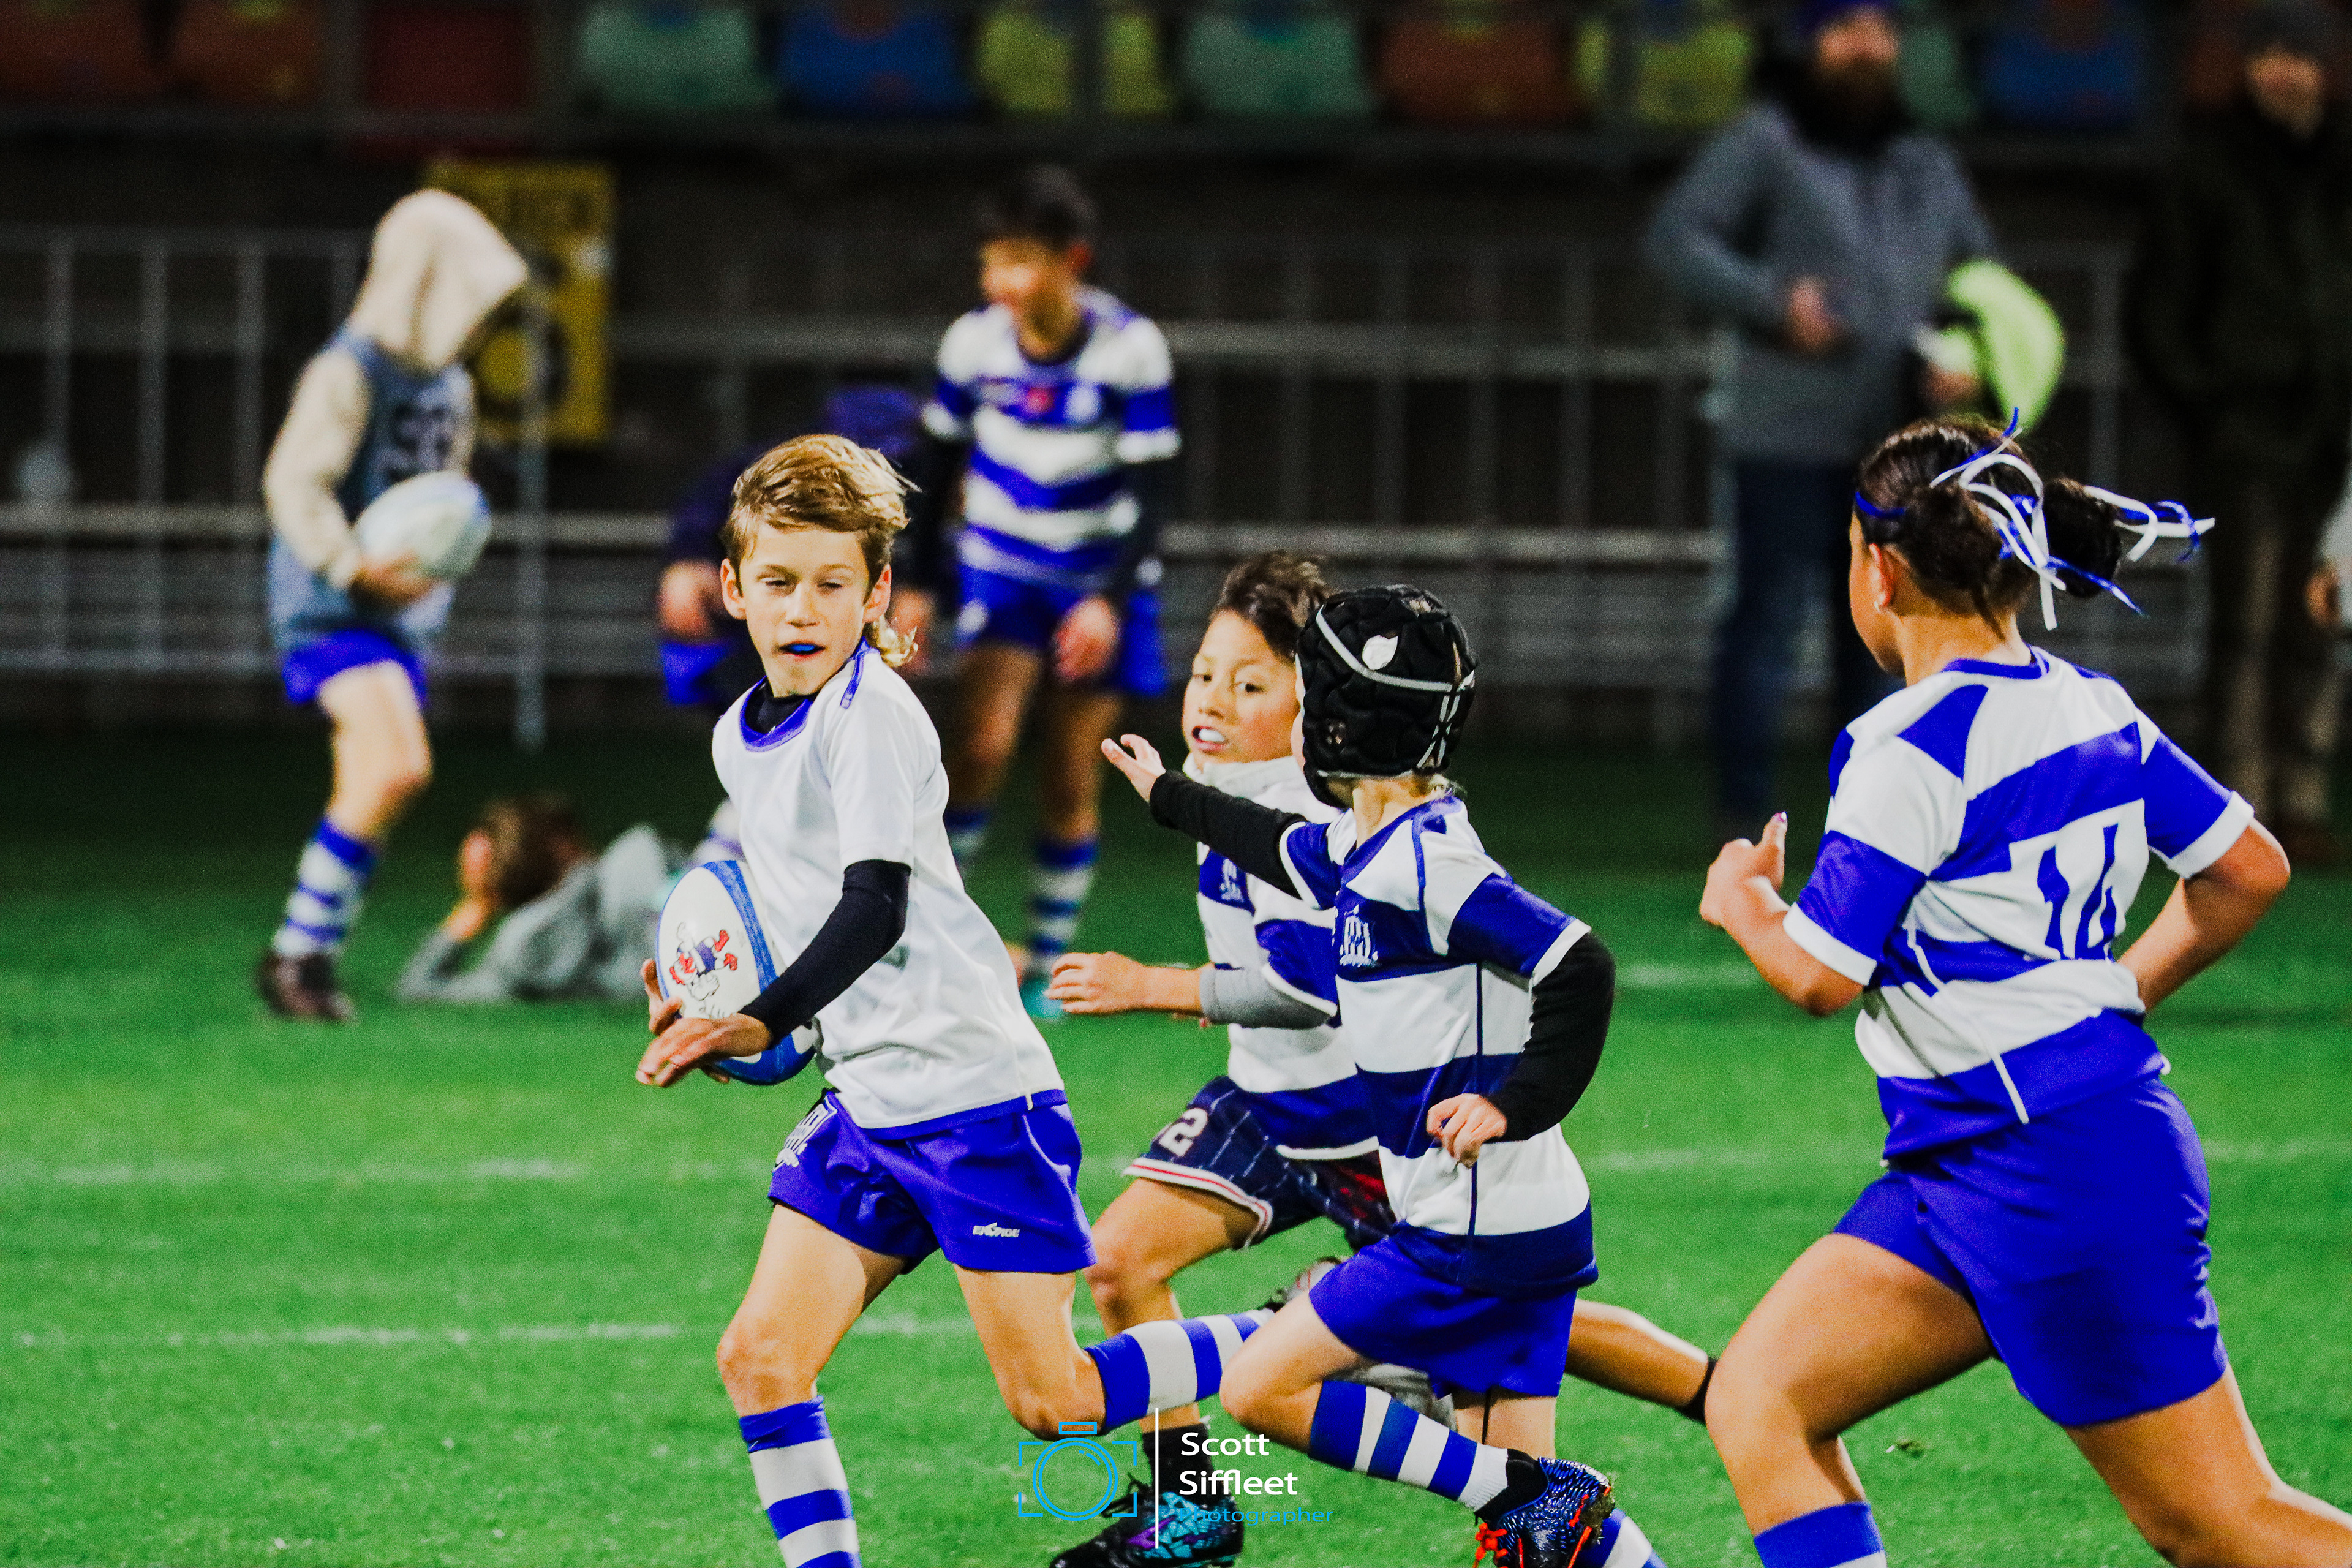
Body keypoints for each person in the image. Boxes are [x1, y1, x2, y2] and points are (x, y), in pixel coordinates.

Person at [1695, 415, 2352, 1568]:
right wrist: (2116, 994)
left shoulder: (1905, 746)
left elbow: (1819, 976)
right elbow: (2248, 870)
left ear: (1879, 570)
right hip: (1982, 1160)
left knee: (2218, 1523)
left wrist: (1744, 902)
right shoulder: (2094, 705)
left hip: (2053, 1171)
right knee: (1762, 1398)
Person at [631, 434, 1284, 1568]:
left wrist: (763, 1016)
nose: (803, 609)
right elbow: (793, 914)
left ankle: (1313, 1330)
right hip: (867, 1102)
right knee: (761, 1359)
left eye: (832, 584)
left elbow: (874, 907)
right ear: (732, 587)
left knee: (1058, 1403)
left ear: (876, 593)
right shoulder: (744, 734)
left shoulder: (871, 717)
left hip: (973, 1099)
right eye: (778, 581)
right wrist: (707, 999)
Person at [1047, 554, 1713, 1566]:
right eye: (1208, 675)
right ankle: (1534, 1483)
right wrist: (1170, 795)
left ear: (1329, 719)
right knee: (1533, 1543)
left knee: (1267, 1385)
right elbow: (1284, 847)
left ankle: (1642, 1421)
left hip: (1464, 1224)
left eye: (1273, 684)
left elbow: (1580, 964)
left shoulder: (1423, 861)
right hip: (1495, 1216)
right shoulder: (1370, 838)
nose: (1220, 699)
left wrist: (1512, 1104)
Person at [1643, 0, 1994, 839]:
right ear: (1808, 45)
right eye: (1845, 30)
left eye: (1879, 29)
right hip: (1786, 431)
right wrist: (1773, 304)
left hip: (1901, 443)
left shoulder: (1923, 158)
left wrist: (1966, 347)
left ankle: (1874, 817)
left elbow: (1979, 273)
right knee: (1766, 624)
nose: (1866, 47)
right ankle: (1742, 812)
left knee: (1888, 631)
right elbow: (1677, 237)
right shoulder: (1764, 140)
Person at [896, 164, 1180, 1017]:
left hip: (1096, 581)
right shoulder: (974, 344)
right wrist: (916, 584)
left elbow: (1155, 494)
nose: (1003, 283)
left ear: (1071, 261)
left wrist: (1108, 600)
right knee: (979, 750)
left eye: (1021, 261)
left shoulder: (1130, 349)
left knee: (1069, 775)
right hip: (1002, 569)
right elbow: (935, 464)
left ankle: (1049, 968)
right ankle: (926, 945)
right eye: (994, 262)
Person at [254, 189, 527, 1020]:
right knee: (397, 767)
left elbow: (443, 492)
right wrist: (350, 565)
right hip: (333, 609)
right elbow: (294, 482)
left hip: (398, 617)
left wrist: (441, 559)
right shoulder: (348, 372)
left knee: (378, 781)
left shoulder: (450, 384)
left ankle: (309, 958)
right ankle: (297, 953)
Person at [2130, 0, 2352, 867]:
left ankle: (2303, 795)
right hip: (2244, 431)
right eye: (2268, 53)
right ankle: (2241, 805)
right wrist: (2208, 402)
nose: (2283, 70)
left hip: (2334, 430)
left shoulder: (2342, 163)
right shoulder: (2204, 167)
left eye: (2299, 53)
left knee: (2320, 617)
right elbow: (2159, 306)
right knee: (2246, 623)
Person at [658, 384, 927, 714]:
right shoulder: (771, 472)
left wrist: (921, 590)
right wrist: (688, 561)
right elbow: (706, 514)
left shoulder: (924, 483)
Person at [395, 793, 680, 1005]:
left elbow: (417, 985)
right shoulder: (634, 857)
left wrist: (477, 905)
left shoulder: (517, 953)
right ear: (561, 844)